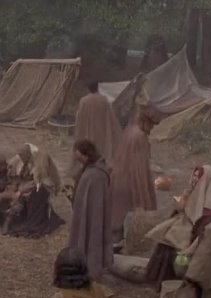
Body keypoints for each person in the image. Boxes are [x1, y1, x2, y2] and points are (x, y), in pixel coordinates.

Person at [145, 165, 211, 288]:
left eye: (198, 177)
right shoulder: (197, 192)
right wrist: (184, 200)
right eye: (194, 176)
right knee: (169, 240)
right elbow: (183, 212)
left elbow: (209, 232)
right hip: (188, 235)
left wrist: (190, 249)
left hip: (203, 244)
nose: (194, 179)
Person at [110, 106, 160, 244]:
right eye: (151, 125)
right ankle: (121, 243)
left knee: (117, 212)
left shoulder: (129, 131)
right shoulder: (140, 137)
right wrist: (143, 192)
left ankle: (115, 241)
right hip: (129, 181)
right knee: (126, 214)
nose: (151, 129)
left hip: (117, 177)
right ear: (146, 122)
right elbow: (140, 167)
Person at [69, 140, 113, 280]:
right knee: (83, 235)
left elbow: (95, 201)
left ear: (87, 154)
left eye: (80, 157)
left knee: (93, 238)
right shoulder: (90, 170)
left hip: (94, 216)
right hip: (85, 213)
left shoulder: (96, 175)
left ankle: (92, 268)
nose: (79, 160)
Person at [4, 151, 65, 238]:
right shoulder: (46, 176)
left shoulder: (42, 180)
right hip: (39, 199)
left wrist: (23, 193)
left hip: (38, 203)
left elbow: (37, 188)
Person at [73, 81, 121, 178]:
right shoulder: (104, 100)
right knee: (101, 151)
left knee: (89, 150)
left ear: (88, 88)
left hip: (87, 130)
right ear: (97, 87)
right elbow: (110, 117)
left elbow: (79, 117)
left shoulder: (84, 101)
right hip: (101, 131)